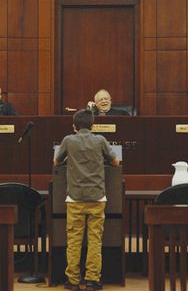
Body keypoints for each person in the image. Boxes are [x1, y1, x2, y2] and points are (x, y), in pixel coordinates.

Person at [53, 109, 120, 291]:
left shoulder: (68, 140)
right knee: (95, 240)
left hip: (75, 198)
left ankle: (73, 281)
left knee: (74, 241)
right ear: (93, 126)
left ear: (74, 126)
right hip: (97, 197)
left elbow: (57, 162)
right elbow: (115, 162)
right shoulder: (100, 140)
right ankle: (92, 280)